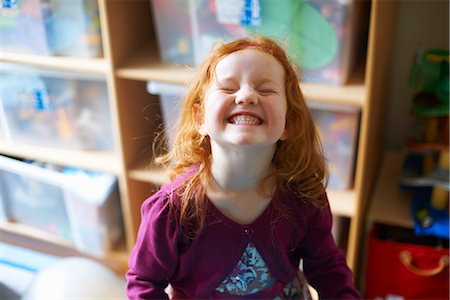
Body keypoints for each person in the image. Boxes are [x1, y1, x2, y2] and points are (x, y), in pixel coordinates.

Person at [126, 36, 361, 299]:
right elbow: (144, 284)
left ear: (288, 124)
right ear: (200, 118)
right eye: (228, 88)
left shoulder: (304, 196)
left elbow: (328, 269)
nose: (247, 95)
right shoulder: (171, 211)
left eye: (265, 90)